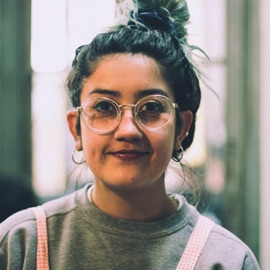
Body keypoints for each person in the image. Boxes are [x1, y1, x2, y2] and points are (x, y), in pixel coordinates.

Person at [0, 0, 260, 269]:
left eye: (151, 108)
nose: (127, 130)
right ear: (76, 128)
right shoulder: (22, 243)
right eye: (103, 107)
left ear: (181, 129)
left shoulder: (225, 259)